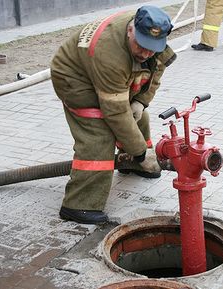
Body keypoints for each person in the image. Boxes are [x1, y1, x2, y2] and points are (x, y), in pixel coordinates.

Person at [50, 6, 176, 224]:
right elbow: (115, 112)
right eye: (142, 46)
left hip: (108, 75)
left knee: (138, 117)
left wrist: (140, 102)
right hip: (75, 78)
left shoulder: (150, 35)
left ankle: (133, 164)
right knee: (98, 133)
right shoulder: (109, 53)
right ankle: (79, 204)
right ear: (130, 31)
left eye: (152, 48)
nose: (146, 53)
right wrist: (141, 153)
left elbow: (156, 70)